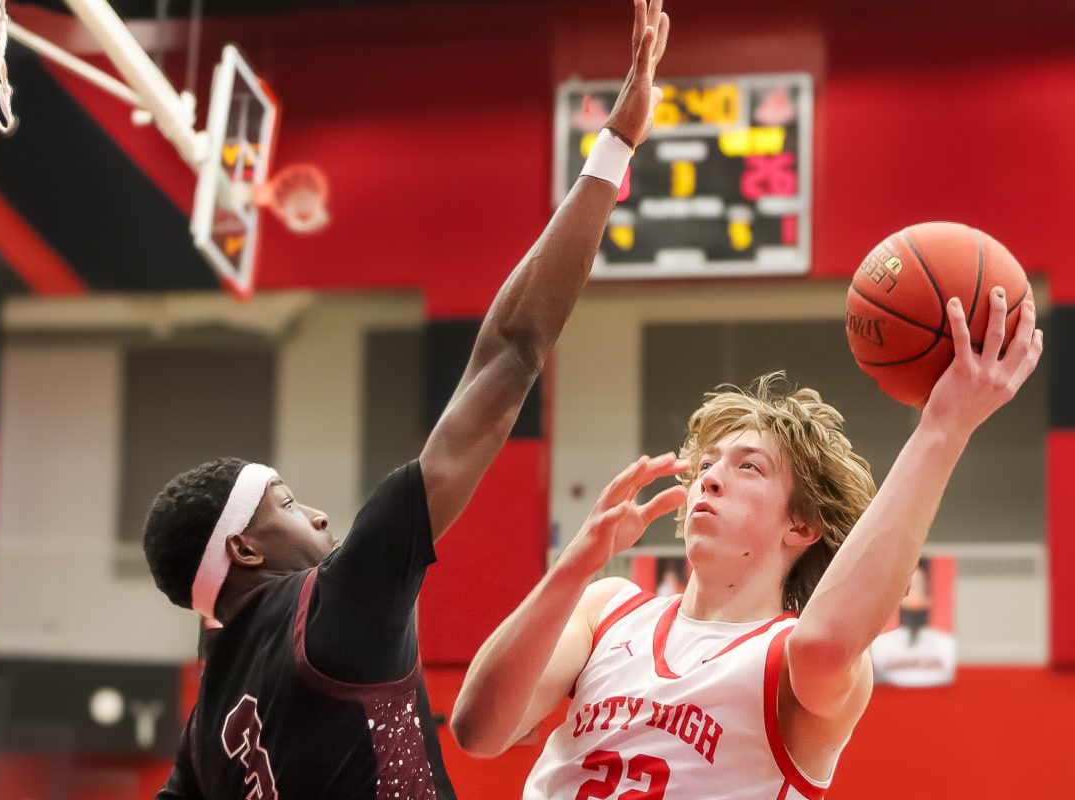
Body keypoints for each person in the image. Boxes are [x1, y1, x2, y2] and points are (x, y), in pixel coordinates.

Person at [144, 2, 671, 797]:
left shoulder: (205, 735)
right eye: (285, 504)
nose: (318, 516)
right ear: (244, 549)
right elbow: (513, 350)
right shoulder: (337, 603)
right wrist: (616, 145)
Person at [452, 290, 1042, 799]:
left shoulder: (792, 657)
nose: (708, 477)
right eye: (707, 464)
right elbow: (479, 730)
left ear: (801, 526)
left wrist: (943, 428)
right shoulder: (606, 608)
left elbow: (828, 643)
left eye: (749, 468)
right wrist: (573, 566)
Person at [869, 558, 957, 687]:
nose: (909, 595)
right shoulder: (881, 644)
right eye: (907, 589)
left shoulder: (946, 644)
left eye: (916, 587)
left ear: (928, 598)